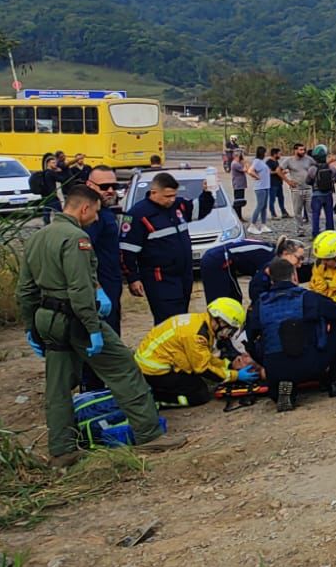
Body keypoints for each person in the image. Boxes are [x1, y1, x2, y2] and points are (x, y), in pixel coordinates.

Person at [17, 183, 178, 467]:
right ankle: (150, 435)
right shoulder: (76, 238)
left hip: (47, 317)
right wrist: (93, 328)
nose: (96, 218)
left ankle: (62, 449)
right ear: (84, 208)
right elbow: (80, 289)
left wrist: (32, 326)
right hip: (75, 318)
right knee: (124, 367)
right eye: (95, 212)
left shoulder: (38, 237)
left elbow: (26, 290)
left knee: (57, 386)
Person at [251, 258, 336, 411]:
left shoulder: (259, 304)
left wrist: (266, 362)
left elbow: (249, 338)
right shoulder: (308, 298)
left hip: (275, 368)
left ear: (271, 280)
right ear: (295, 277)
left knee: (263, 340)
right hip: (311, 363)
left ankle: (283, 386)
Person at [119, 171, 215, 324]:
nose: (171, 200)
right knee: (168, 322)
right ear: (154, 192)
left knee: (181, 318)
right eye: (167, 196)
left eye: (174, 195)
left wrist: (207, 193)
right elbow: (127, 250)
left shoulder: (178, 205)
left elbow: (199, 210)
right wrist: (133, 278)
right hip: (160, 278)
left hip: (183, 275)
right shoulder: (138, 214)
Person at [134, 297, 253, 408]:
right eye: (230, 329)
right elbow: (203, 368)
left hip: (151, 362)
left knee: (196, 382)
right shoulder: (197, 336)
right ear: (221, 321)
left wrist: (228, 365)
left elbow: (203, 356)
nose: (228, 334)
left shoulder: (200, 323)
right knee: (199, 395)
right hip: (154, 371)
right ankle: (156, 400)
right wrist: (236, 376)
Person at [79, 165, 125, 392]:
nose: (110, 191)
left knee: (111, 338)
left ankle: (100, 386)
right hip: (100, 291)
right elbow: (85, 257)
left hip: (112, 288)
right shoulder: (92, 218)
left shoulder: (106, 213)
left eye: (114, 186)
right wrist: (98, 289)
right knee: (101, 345)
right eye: (104, 186)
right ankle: (92, 390)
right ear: (90, 186)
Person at [199, 235, 277, 305]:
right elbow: (255, 287)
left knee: (235, 298)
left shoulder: (269, 249)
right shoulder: (270, 259)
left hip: (219, 257)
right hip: (215, 261)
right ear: (285, 253)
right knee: (221, 304)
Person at [246, 237, 306, 305]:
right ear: (285, 254)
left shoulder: (290, 269)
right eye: (299, 258)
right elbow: (256, 294)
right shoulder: (268, 271)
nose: (301, 262)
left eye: (303, 258)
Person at [278, 142, 316, 232]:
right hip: (296, 189)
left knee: (311, 210)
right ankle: (300, 229)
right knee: (297, 211)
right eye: (301, 150)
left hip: (308, 188)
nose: (303, 151)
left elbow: (317, 167)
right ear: (295, 150)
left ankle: (314, 230)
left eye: (304, 149)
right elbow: (278, 170)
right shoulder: (289, 160)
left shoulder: (309, 159)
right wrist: (288, 181)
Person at [308, 144, 336, 236]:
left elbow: (308, 181)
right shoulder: (331, 168)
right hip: (328, 194)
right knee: (329, 214)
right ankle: (330, 232)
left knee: (315, 215)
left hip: (316, 195)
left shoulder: (312, 169)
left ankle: (315, 234)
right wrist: (332, 181)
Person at [29, 153, 63, 223]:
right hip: (52, 195)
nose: (55, 164)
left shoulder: (44, 172)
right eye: (53, 163)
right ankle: (61, 223)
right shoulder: (51, 173)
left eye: (55, 163)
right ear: (48, 164)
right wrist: (60, 172)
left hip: (45, 195)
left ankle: (46, 224)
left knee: (46, 211)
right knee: (59, 212)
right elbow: (61, 179)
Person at [248, 145, 272, 229]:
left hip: (266, 186)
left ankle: (263, 225)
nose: (266, 154)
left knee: (264, 207)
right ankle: (252, 224)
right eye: (265, 152)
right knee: (260, 205)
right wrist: (257, 177)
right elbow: (250, 171)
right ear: (262, 153)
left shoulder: (262, 162)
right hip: (260, 187)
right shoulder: (257, 161)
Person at [267, 147, 286, 218]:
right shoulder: (269, 162)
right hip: (272, 183)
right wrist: (277, 172)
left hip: (279, 183)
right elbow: (268, 172)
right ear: (275, 154)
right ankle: (273, 214)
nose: (280, 156)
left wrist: (282, 173)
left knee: (281, 198)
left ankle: (284, 212)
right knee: (272, 199)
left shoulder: (276, 161)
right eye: (279, 154)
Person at [230, 149, 248, 219]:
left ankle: (239, 216)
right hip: (238, 185)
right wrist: (245, 163)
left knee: (240, 201)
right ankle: (237, 216)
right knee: (238, 202)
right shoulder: (235, 164)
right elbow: (245, 170)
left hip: (240, 184)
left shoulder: (237, 163)